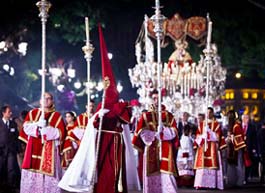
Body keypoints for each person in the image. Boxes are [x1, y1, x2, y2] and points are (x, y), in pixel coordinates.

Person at [58, 25, 133, 193]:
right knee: (100, 167)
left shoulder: (119, 104)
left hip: (115, 140)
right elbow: (96, 122)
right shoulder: (101, 105)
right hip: (101, 140)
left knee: (115, 169)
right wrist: (101, 115)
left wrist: (116, 110)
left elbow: (126, 118)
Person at [132, 89, 180, 193]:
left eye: (158, 98)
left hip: (166, 148)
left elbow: (174, 131)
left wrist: (163, 133)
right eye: (154, 98)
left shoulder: (168, 115)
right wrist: (154, 135)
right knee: (152, 174)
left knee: (167, 174)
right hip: (151, 148)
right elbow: (141, 132)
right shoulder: (146, 116)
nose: (156, 100)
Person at [18, 92, 66, 193]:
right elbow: (26, 128)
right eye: (44, 98)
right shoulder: (33, 113)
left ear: (52, 101)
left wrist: (47, 130)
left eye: (49, 98)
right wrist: (37, 126)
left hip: (49, 153)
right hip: (33, 151)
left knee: (49, 180)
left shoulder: (57, 116)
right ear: (40, 101)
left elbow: (60, 133)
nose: (47, 100)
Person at [193, 107, 227, 190]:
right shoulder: (201, 124)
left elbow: (218, 137)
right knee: (202, 165)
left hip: (212, 148)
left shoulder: (216, 124)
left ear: (212, 113)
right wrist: (202, 136)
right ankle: (201, 183)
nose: (208, 114)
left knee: (212, 164)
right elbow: (197, 136)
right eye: (207, 112)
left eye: (209, 112)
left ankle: (211, 184)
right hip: (202, 148)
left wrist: (210, 133)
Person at [0, 105, 21, 193]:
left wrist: (18, 149)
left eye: (11, 112)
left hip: (11, 151)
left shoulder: (13, 124)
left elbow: (16, 137)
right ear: (3, 113)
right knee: (1, 169)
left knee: (11, 169)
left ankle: (11, 187)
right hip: (1, 151)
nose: (11, 113)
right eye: (9, 112)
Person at [225, 110, 246, 187]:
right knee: (232, 165)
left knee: (238, 165)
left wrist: (231, 138)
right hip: (232, 148)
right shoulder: (232, 126)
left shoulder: (236, 126)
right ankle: (232, 180)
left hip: (237, 149)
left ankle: (239, 181)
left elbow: (240, 138)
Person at [242, 114, 258, 183]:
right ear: (242, 119)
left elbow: (254, 139)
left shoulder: (252, 127)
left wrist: (254, 148)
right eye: (245, 118)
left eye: (248, 118)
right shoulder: (238, 126)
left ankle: (246, 177)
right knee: (241, 163)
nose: (247, 119)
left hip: (249, 148)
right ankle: (241, 177)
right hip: (240, 148)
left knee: (248, 164)